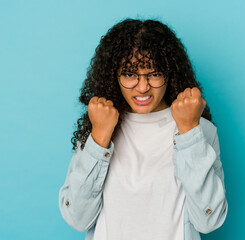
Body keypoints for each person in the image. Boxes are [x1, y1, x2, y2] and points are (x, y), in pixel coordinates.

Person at [59, 18, 228, 240]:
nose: (142, 87)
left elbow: (209, 221)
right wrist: (99, 136)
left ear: (170, 73)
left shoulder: (198, 130)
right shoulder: (100, 127)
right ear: (114, 75)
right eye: (130, 74)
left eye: (154, 74)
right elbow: (77, 219)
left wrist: (188, 130)